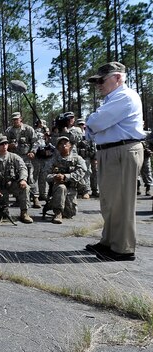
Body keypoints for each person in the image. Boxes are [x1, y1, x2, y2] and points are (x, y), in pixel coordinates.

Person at [85, 61, 145, 261]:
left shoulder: (125, 96)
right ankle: (109, 241)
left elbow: (95, 122)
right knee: (110, 201)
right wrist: (93, 125)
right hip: (111, 151)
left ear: (118, 77)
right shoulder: (113, 99)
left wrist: (92, 123)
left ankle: (123, 248)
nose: (98, 85)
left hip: (122, 150)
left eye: (102, 80)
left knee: (121, 203)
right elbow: (94, 127)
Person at [0, 136, 33, 224]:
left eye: (6, 143)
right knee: (1, 213)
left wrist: (23, 179)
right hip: (0, 188)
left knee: (25, 188)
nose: (4, 146)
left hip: (12, 184)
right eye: (1, 144)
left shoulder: (14, 157)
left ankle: (24, 213)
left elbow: (23, 168)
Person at [45, 136, 87, 224]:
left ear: (70, 146)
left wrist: (65, 177)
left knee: (70, 213)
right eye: (61, 144)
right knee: (61, 187)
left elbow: (82, 171)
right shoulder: (53, 160)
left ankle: (53, 204)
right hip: (57, 187)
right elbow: (46, 174)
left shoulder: (77, 159)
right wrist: (55, 177)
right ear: (57, 147)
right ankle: (58, 213)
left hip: (72, 189)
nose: (63, 145)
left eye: (66, 143)